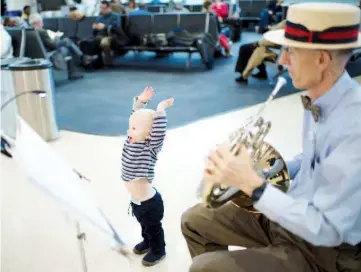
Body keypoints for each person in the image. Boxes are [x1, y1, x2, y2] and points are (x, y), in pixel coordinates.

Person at [181, 2, 361, 272]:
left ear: (322, 59)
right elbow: (312, 158)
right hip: (293, 216)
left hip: (327, 250)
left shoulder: (353, 125)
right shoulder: (321, 97)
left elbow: (326, 229)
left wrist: (254, 185)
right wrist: (265, 169)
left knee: (205, 268)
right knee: (194, 220)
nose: (281, 60)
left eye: (291, 51)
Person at [121, 87, 174, 266]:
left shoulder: (150, 147)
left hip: (149, 203)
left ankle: (159, 250)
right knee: (144, 226)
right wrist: (141, 102)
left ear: (150, 134)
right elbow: (135, 117)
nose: (129, 131)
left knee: (153, 227)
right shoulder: (131, 138)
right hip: (136, 201)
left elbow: (157, 130)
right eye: (130, 128)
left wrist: (160, 110)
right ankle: (147, 241)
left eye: (134, 129)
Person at [29, 13, 84, 80]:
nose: (42, 24)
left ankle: (78, 55)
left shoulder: (28, 31)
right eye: (41, 22)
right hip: (46, 53)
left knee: (66, 47)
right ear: (38, 23)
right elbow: (54, 45)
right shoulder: (41, 31)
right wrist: (56, 37)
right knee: (66, 43)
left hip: (34, 54)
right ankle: (79, 55)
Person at [235, 19, 286, 84]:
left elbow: (277, 37)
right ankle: (261, 73)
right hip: (276, 47)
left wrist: (258, 43)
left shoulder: (288, 23)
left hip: (279, 52)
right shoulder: (289, 23)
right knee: (251, 48)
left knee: (250, 49)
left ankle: (244, 75)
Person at [92, 0, 121, 66]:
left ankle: (108, 61)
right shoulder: (100, 17)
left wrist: (105, 26)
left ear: (108, 8)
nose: (102, 10)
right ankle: (97, 61)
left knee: (104, 42)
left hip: (111, 35)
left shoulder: (115, 16)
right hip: (100, 34)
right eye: (101, 8)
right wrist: (95, 26)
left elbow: (117, 27)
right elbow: (96, 25)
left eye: (103, 8)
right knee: (90, 41)